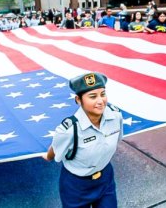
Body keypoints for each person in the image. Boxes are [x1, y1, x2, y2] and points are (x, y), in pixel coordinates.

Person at [43, 72, 123, 208]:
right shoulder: (69, 129)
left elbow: (117, 139)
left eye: (102, 94)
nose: (100, 101)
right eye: (92, 96)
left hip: (105, 179)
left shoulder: (116, 116)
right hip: (76, 186)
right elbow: (55, 152)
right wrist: (47, 156)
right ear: (78, 100)